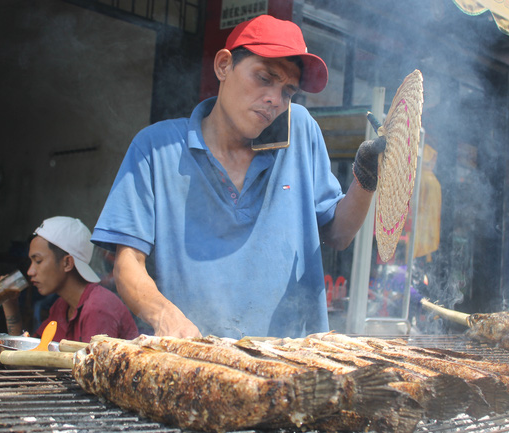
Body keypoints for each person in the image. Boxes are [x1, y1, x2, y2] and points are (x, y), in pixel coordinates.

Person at [92, 15, 386, 339]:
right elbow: (127, 263)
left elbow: (339, 234)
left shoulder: (300, 130)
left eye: (288, 92)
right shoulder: (155, 148)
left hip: (294, 370)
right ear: (223, 66)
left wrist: (365, 177)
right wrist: (164, 315)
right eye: (264, 78)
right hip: (195, 364)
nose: (275, 99)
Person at [2, 216, 139, 342]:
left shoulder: (98, 308)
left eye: (38, 261)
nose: (30, 271)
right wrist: (11, 308)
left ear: (67, 263)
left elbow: (91, 367)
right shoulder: (61, 306)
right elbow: (29, 356)